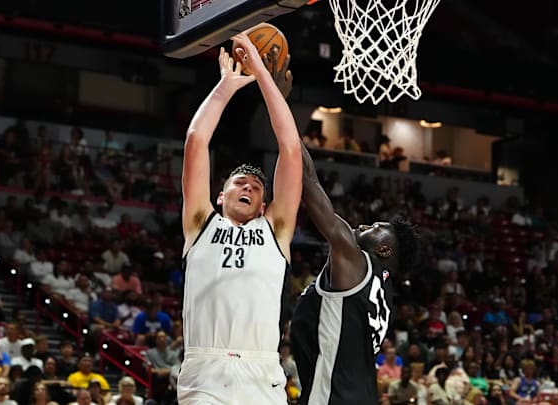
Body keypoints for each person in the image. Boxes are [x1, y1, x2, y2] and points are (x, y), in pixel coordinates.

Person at [176, 34, 301, 405]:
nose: (248, 186)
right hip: (205, 367)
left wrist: (261, 72)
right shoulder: (200, 223)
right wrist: (226, 86)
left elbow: (291, 150)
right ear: (219, 196)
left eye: (256, 187)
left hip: (261, 372)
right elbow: (196, 140)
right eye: (239, 183)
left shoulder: (276, 230)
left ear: (264, 205)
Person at [289, 123, 418, 405]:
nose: (363, 225)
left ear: (383, 249)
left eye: (374, 227)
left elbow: (308, 181)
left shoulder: (357, 263)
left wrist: (280, 110)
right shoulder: (384, 292)